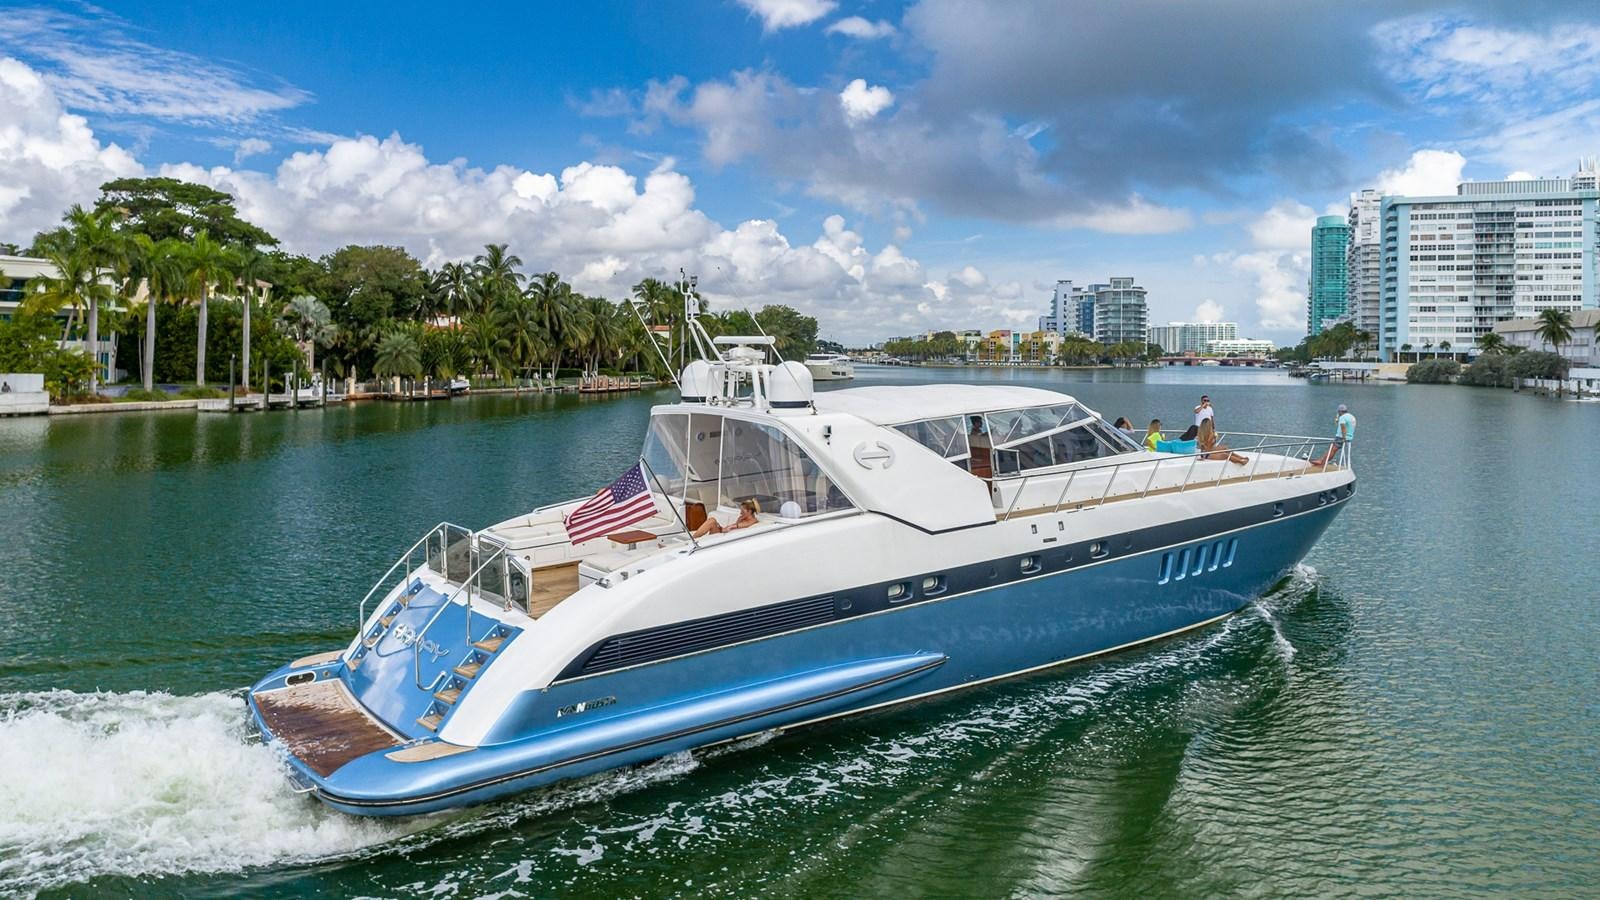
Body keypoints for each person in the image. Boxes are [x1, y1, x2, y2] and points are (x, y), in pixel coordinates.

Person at [692, 498, 761, 537]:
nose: (740, 513)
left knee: (712, 521)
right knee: (712, 521)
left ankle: (694, 538)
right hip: (725, 534)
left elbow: (738, 526)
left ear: (749, 511)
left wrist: (725, 529)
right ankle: (695, 538)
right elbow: (735, 528)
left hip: (725, 537)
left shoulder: (752, 521)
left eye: (743, 511)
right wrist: (721, 528)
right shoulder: (742, 518)